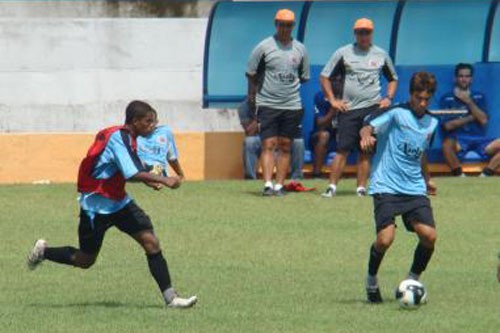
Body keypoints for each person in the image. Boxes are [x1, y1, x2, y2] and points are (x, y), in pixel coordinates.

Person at [27, 101, 197, 309]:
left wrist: (149, 180)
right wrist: (165, 180)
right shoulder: (119, 137)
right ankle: (44, 252)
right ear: (135, 122)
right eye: (148, 121)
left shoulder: (130, 138)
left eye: (155, 122)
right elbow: (131, 172)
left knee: (151, 242)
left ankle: (172, 298)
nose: (153, 126)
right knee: (85, 260)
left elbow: (128, 168)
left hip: (119, 202)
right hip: (95, 207)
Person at [359, 72, 438, 303]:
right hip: (386, 185)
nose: (421, 103)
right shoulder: (395, 113)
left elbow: (421, 153)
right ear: (410, 94)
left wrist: (428, 179)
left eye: (426, 98)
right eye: (417, 97)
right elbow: (367, 125)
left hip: (413, 188)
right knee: (385, 239)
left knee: (429, 236)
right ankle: (371, 281)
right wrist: (366, 137)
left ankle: (412, 279)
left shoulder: (432, 123)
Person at [320, 18, 398, 197]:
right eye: (360, 32)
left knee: (366, 149)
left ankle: (361, 188)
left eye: (367, 32)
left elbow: (393, 78)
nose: (364, 36)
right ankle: (331, 187)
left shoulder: (381, 54)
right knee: (343, 149)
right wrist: (333, 100)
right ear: (355, 34)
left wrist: (388, 98)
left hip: (372, 109)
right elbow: (324, 77)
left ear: (372, 34)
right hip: (349, 109)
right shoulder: (343, 53)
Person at [246, 8, 310, 196]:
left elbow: (304, 77)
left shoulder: (300, 49)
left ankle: (280, 186)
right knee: (269, 144)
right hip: (268, 104)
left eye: (289, 25)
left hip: (292, 105)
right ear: (276, 24)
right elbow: (251, 74)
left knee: (285, 145)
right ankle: (267, 184)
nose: (285, 28)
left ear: (293, 26)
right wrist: (253, 97)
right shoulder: (264, 47)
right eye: (282, 24)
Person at [440, 63, 500, 177]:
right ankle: (459, 176)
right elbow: (448, 126)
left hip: (480, 140)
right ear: (455, 78)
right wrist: (472, 117)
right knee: (446, 144)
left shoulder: (479, 96)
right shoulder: (447, 98)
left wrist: (468, 101)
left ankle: (486, 175)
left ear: (471, 79)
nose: (464, 79)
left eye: (467, 76)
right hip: (458, 140)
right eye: (461, 76)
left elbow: (483, 120)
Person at [238, 100, 304, 180]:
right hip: (262, 138)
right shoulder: (245, 107)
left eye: (255, 93)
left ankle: (296, 177)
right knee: (249, 142)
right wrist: (258, 116)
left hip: (282, 136)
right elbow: (249, 132)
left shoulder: (289, 102)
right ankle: (250, 178)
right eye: (251, 93)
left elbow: (294, 129)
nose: (253, 96)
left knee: (298, 142)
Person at [310, 90, 337, 178]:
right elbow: (320, 123)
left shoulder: (349, 95)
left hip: (342, 133)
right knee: (324, 135)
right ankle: (317, 174)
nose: (337, 84)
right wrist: (333, 110)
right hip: (320, 134)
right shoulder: (321, 96)